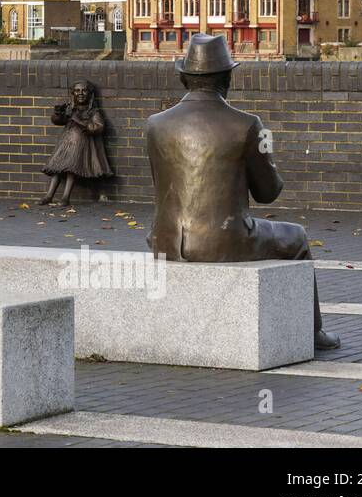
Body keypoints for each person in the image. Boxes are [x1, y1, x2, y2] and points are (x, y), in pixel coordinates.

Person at [145, 33, 339, 350]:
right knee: (298, 237)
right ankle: (312, 332)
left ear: (183, 77)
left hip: (164, 239)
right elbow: (268, 193)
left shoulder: (155, 123)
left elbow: (160, 183)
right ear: (228, 78)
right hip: (224, 240)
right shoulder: (248, 124)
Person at [38, 79, 112, 206]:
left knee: (71, 168)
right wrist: (58, 114)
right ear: (73, 94)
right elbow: (58, 121)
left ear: (90, 94)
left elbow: (98, 127)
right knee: (56, 168)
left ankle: (66, 197)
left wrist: (77, 119)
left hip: (81, 146)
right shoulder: (70, 109)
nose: (81, 93)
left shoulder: (93, 112)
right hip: (65, 145)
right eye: (77, 91)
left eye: (84, 90)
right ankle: (49, 195)